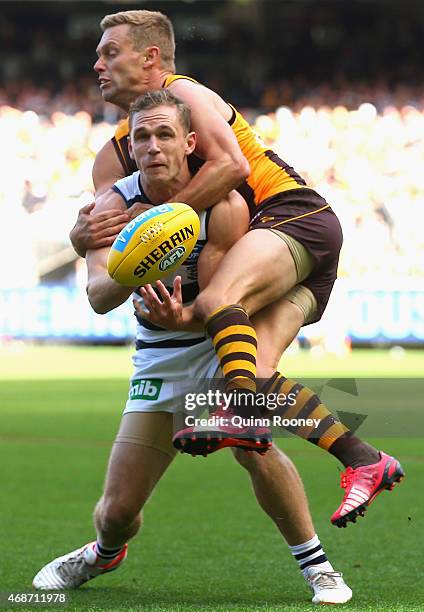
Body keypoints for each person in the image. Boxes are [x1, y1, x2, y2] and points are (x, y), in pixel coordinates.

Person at [69, 9, 403, 528]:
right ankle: (364, 460)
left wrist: (156, 216)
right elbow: (105, 232)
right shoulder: (113, 155)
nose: (98, 65)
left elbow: (232, 167)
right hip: (284, 255)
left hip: (292, 217)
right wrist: (80, 235)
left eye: (110, 52)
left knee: (216, 304)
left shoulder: (188, 94)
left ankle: (237, 415)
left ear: (151, 58)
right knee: (254, 370)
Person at [33, 91, 352, 604]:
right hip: (158, 357)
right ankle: (104, 552)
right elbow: (97, 297)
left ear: (189, 142)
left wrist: (178, 313)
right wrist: (128, 262)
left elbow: (215, 303)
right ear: (131, 148)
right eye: (141, 137)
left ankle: (319, 567)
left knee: (254, 448)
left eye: (164, 135)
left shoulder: (224, 204)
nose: (153, 146)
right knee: (116, 513)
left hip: (214, 347)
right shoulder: (112, 206)